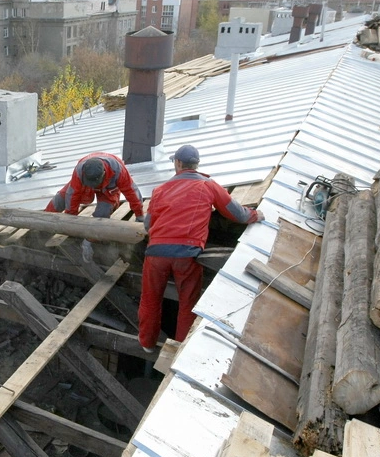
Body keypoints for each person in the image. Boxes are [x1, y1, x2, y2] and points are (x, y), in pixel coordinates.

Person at [138, 144, 264, 352]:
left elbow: (147, 225)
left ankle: (147, 344)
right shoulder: (208, 185)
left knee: (150, 299)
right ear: (196, 164)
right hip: (187, 254)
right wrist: (255, 215)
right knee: (187, 303)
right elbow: (237, 214)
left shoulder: (159, 190)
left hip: (156, 253)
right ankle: (179, 349)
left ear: (178, 164)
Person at [46, 152, 145, 262]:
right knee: (59, 199)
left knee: (103, 213)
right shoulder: (80, 172)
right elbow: (72, 195)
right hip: (84, 186)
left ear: (103, 173)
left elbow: (132, 192)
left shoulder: (118, 171)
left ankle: (90, 241)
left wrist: (139, 215)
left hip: (108, 189)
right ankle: (43, 226)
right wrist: (71, 221)